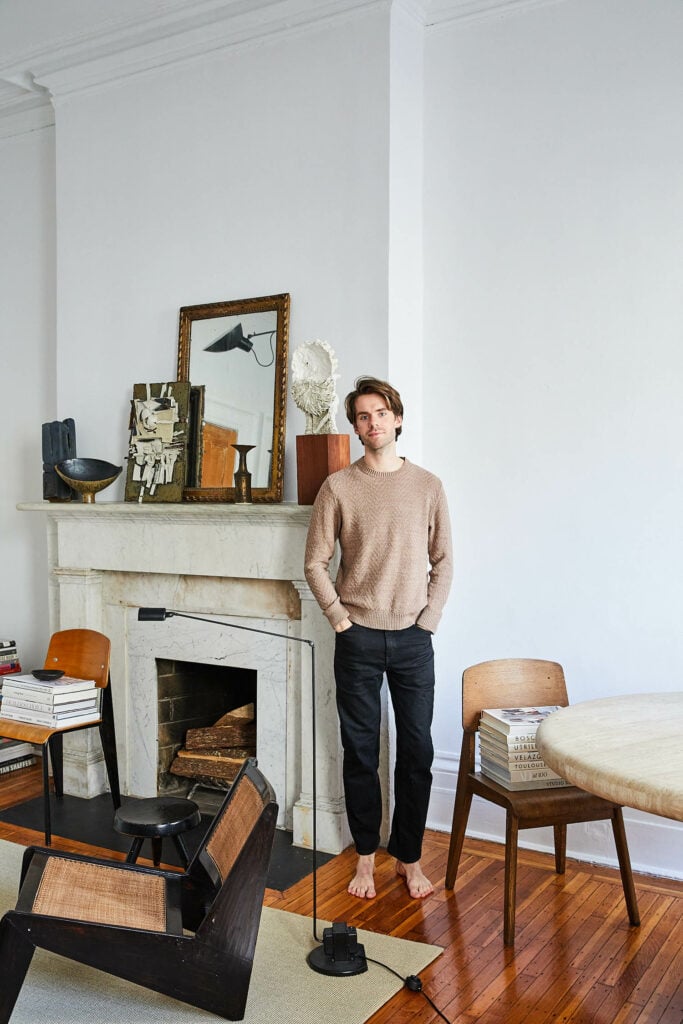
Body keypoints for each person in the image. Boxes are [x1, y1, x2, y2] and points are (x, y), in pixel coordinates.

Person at [304, 376, 453, 900]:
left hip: (414, 640)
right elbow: (315, 563)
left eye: (381, 413)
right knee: (360, 752)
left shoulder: (428, 486)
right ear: (355, 426)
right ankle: (365, 857)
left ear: (398, 418)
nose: (373, 423)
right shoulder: (338, 488)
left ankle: (409, 858)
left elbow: (444, 561)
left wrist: (429, 620)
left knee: (416, 752)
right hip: (358, 638)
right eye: (363, 416)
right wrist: (340, 619)